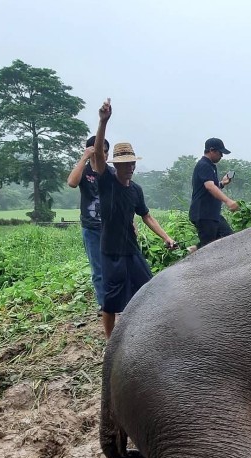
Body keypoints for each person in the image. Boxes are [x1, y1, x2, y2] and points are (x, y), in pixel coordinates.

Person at [90, 98, 176, 339]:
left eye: (131, 163)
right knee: (110, 298)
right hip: (111, 251)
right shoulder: (106, 182)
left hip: (131, 249)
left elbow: (146, 216)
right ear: (115, 165)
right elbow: (97, 154)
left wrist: (166, 237)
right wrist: (102, 121)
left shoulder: (136, 190)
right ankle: (110, 342)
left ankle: (144, 332)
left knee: (147, 288)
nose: (130, 167)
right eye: (124, 164)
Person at [66, 136, 109, 308]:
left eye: (105, 152)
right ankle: (104, 305)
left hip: (110, 227)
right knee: (98, 270)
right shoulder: (84, 171)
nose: (103, 155)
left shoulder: (111, 172)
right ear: (91, 152)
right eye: (99, 151)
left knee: (114, 266)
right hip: (91, 228)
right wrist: (84, 158)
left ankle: (116, 301)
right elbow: (71, 182)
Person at [189, 137, 238, 252]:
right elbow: (210, 187)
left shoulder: (211, 166)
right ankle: (193, 253)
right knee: (208, 250)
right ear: (212, 150)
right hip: (204, 214)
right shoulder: (204, 165)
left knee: (228, 236)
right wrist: (228, 201)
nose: (222, 156)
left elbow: (211, 186)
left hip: (212, 214)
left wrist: (222, 183)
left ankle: (193, 249)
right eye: (220, 152)